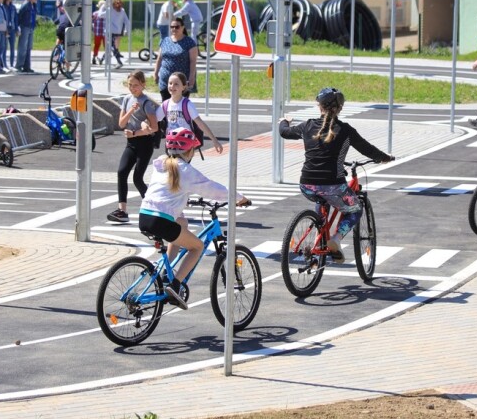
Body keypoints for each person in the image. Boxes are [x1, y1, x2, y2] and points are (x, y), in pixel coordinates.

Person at [137, 128, 250, 309]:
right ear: (190, 151)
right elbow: (212, 189)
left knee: (182, 222)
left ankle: (168, 273)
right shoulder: (185, 171)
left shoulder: (161, 165)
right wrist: (239, 198)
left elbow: (164, 192)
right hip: (161, 221)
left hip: (144, 216)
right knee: (197, 247)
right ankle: (175, 285)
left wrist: (183, 199)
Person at [278, 88, 393, 262]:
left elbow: (284, 132)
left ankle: (320, 232)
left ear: (320, 107)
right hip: (333, 185)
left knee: (321, 198)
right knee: (355, 209)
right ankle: (335, 240)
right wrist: (384, 158)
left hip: (306, 186)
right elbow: (366, 148)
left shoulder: (307, 126)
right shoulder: (345, 131)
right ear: (340, 108)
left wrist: (284, 122)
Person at [108, 71, 164, 224]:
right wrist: (131, 110)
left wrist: (135, 132)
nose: (133, 88)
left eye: (136, 85)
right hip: (131, 143)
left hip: (145, 144)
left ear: (143, 85)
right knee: (121, 172)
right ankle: (122, 211)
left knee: (137, 178)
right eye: (130, 85)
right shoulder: (127, 100)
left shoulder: (147, 103)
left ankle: (153, 208)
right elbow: (120, 124)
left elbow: (154, 127)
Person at [162, 71, 223, 155]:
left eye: (176, 84)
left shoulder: (187, 104)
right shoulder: (165, 105)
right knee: (171, 167)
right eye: (170, 83)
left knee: (181, 167)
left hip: (185, 145)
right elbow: (153, 119)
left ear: (183, 87)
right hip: (170, 144)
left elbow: (200, 123)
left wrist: (214, 140)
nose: (172, 86)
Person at [153, 15, 198, 100]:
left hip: (181, 81)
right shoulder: (165, 41)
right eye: (172, 27)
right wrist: (156, 73)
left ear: (182, 27)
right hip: (165, 80)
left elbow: (193, 61)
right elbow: (159, 58)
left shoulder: (189, 42)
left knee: (180, 105)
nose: (174, 29)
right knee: (166, 105)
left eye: (177, 27)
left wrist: (192, 77)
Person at [14, 0, 39, 73]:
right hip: (24, 27)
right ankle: (19, 65)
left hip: (31, 27)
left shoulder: (33, 5)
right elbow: (19, 16)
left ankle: (27, 66)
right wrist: (18, 27)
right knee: (22, 47)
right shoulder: (25, 5)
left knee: (28, 47)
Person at [104, 0, 130, 69]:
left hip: (110, 30)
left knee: (111, 46)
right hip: (117, 30)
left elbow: (101, 15)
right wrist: (126, 30)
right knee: (111, 45)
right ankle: (103, 58)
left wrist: (103, 6)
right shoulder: (122, 10)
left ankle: (119, 61)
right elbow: (127, 22)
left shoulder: (110, 10)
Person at [3, 0, 18, 72]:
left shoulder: (13, 7)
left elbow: (16, 18)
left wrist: (16, 29)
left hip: (12, 29)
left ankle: (12, 64)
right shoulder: (3, 7)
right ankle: (4, 65)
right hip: (5, 29)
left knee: (12, 48)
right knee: (4, 48)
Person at [91, 0, 108, 65]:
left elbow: (91, 20)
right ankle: (103, 58)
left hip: (97, 32)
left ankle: (94, 57)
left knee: (96, 45)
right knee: (106, 46)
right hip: (104, 32)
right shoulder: (106, 13)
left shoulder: (95, 13)